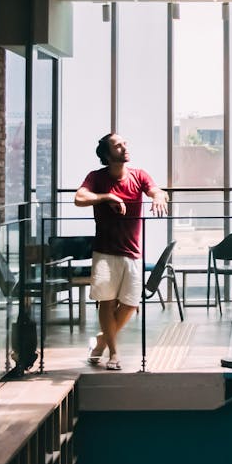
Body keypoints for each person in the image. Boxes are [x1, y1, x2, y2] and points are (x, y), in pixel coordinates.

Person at [75, 133, 167, 370]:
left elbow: (157, 191)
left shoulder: (139, 175)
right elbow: (79, 198)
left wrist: (157, 197)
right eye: (118, 145)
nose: (124, 147)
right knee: (107, 302)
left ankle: (101, 342)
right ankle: (113, 354)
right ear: (107, 154)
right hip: (105, 252)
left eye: (125, 143)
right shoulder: (97, 177)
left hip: (132, 252)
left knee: (130, 303)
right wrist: (107, 197)